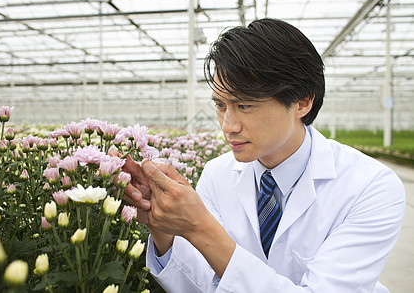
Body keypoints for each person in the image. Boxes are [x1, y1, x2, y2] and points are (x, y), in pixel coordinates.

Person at [120, 18, 406, 292]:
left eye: (244, 105)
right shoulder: (217, 175)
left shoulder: (370, 187)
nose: (228, 126)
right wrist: (164, 228)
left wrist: (200, 228)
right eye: (221, 105)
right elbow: (205, 284)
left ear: (302, 102)